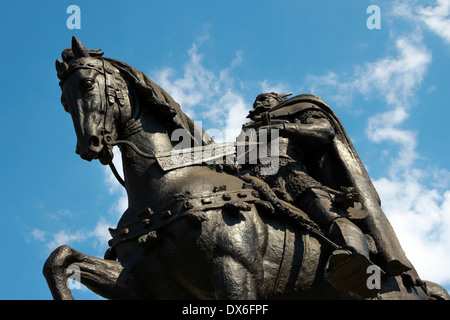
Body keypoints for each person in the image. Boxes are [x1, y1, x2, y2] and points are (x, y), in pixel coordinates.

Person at [238, 92, 413, 297]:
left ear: (279, 101)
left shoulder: (299, 109)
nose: (258, 103)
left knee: (324, 209)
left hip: (287, 172)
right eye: (256, 101)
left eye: (264, 98)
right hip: (249, 177)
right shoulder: (248, 130)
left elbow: (324, 131)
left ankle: (354, 256)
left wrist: (283, 128)